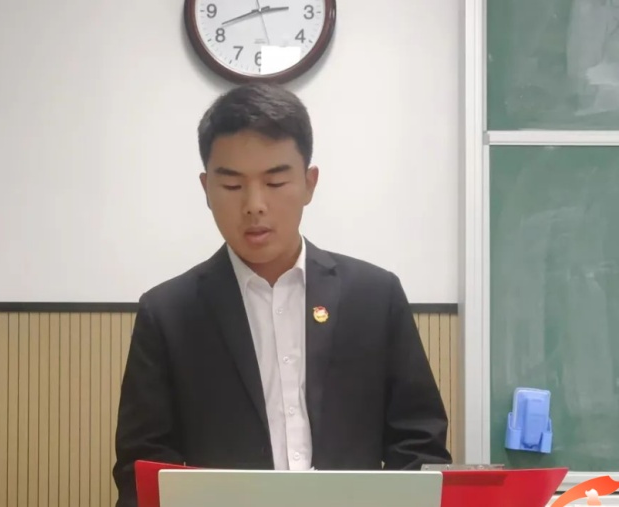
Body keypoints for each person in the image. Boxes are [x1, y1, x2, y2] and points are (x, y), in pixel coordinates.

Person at [112, 83, 452, 506]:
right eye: (232, 185)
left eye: (275, 182)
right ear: (206, 189)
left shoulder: (375, 297)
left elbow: (419, 445)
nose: (254, 204)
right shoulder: (168, 314)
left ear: (309, 183)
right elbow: (143, 469)